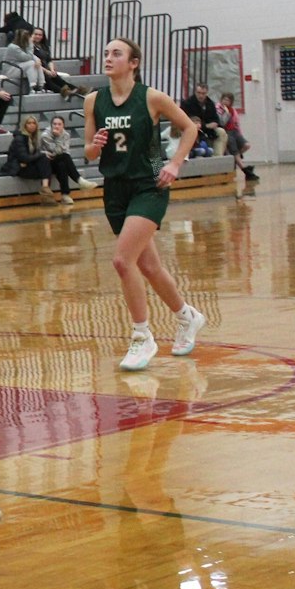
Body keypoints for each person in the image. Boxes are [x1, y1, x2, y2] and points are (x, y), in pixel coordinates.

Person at [83, 38, 206, 372]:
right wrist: (94, 145)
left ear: (133, 62)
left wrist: (176, 163)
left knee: (123, 261)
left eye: (116, 53)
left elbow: (189, 128)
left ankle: (142, 336)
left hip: (149, 184)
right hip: (115, 189)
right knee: (148, 266)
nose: (108, 58)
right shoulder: (94, 100)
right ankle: (187, 316)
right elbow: (88, 153)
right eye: (106, 53)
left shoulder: (151, 97)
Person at [0, 114, 56, 203]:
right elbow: (24, 158)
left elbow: (31, 158)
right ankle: (46, 190)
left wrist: (38, 156)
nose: (32, 125)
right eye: (29, 123)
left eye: (34, 123)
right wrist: (40, 155)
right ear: (24, 125)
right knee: (44, 160)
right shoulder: (19, 139)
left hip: (27, 165)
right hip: (18, 168)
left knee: (49, 163)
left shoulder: (35, 138)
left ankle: (46, 189)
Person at [40, 115, 94, 205]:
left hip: (58, 160)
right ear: (51, 125)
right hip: (46, 163)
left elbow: (66, 151)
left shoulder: (66, 135)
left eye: (59, 124)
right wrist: (58, 138)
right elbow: (55, 152)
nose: (57, 126)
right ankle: (79, 180)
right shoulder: (45, 135)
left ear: (63, 125)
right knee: (64, 157)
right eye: (54, 124)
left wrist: (60, 141)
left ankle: (65, 196)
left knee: (62, 164)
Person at [217, 92, 257, 182]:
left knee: (246, 145)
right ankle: (244, 169)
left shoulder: (233, 110)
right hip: (225, 131)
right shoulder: (218, 109)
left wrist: (240, 134)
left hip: (234, 131)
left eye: (228, 100)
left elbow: (236, 124)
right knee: (233, 149)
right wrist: (226, 113)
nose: (226, 102)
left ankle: (235, 159)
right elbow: (222, 122)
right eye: (224, 99)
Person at [181, 83, 226, 157]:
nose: (201, 95)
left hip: (208, 130)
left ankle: (217, 157)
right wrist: (206, 125)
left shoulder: (210, 103)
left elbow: (216, 119)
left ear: (206, 93)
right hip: (194, 130)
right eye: (199, 93)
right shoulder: (187, 103)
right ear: (195, 92)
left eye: (203, 93)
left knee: (221, 132)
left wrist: (214, 124)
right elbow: (187, 120)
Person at [29, 28, 75, 98]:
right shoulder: (30, 47)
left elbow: (49, 60)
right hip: (38, 71)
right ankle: (65, 93)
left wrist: (52, 70)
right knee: (50, 82)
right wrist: (47, 71)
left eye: (40, 35)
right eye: (36, 34)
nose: (38, 36)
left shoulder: (44, 46)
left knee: (60, 80)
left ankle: (78, 90)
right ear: (31, 35)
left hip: (47, 70)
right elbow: (33, 63)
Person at [2, 28, 43, 95]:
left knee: (36, 63)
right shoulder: (13, 47)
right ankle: (33, 87)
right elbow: (27, 57)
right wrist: (31, 44)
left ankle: (40, 86)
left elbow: (31, 56)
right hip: (10, 70)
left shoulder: (22, 46)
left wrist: (37, 60)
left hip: (19, 67)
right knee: (31, 63)